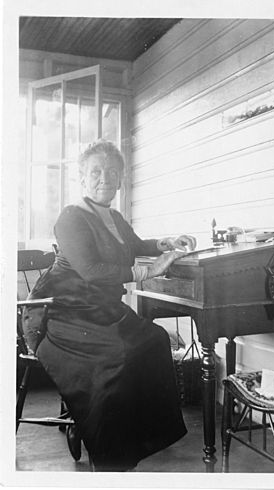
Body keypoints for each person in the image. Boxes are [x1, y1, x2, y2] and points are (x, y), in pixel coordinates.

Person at [23, 139, 197, 472]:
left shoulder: (113, 216)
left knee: (155, 340)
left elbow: (133, 245)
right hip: (60, 310)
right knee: (117, 355)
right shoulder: (71, 217)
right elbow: (90, 270)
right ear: (82, 178)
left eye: (112, 172)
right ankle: (109, 452)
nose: (104, 178)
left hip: (100, 308)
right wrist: (150, 269)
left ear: (120, 180)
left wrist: (166, 243)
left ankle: (138, 439)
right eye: (96, 171)